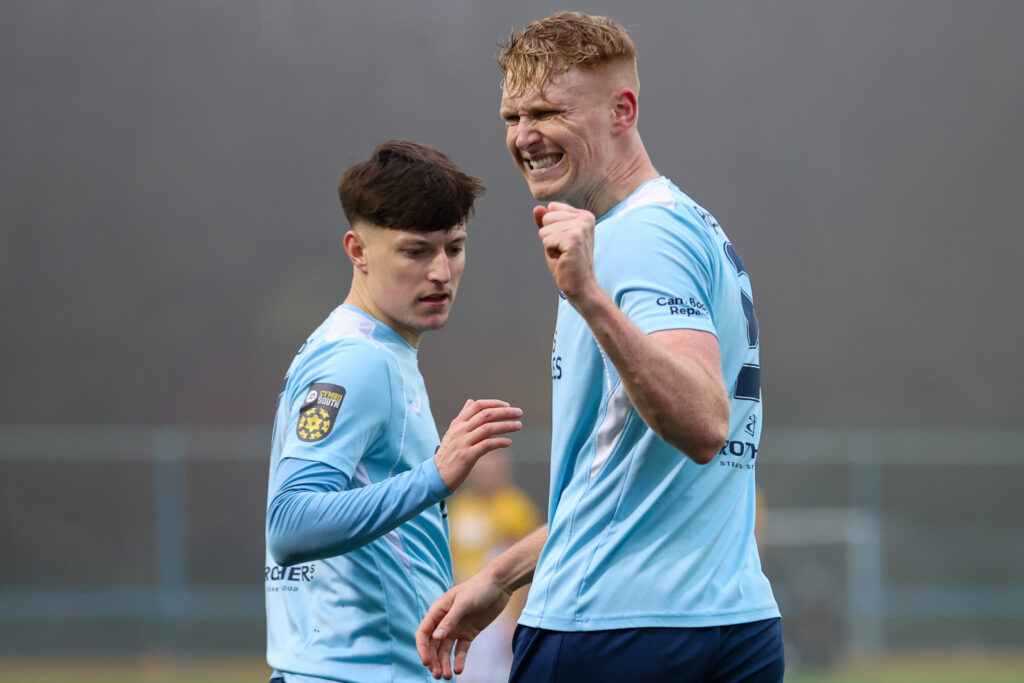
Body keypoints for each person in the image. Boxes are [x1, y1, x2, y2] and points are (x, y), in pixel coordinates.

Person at [417, 13, 782, 682]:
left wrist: (590, 299)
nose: (524, 136)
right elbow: (620, 490)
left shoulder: (640, 239)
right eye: (512, 115)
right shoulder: (684, 222)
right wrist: (500, 576)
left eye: (550, 111)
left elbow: (704, 423)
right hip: (733, 623)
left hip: (617, 631)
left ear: (622, 111)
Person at [264, 140, 524, 682]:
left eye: (454, 248)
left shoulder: (372, 349)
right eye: (415, 251)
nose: (441, 272)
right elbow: (288, 525)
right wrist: (435, 476)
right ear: (357, 250)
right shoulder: (360, 362)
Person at [446, 449, 541, 682]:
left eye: (493, 465)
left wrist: (516, 618)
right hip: (462, 610)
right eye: (481, 465)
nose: (486, 471)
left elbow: (527, 571)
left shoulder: (517, 509)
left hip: (499, 616)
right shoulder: (457, 508)